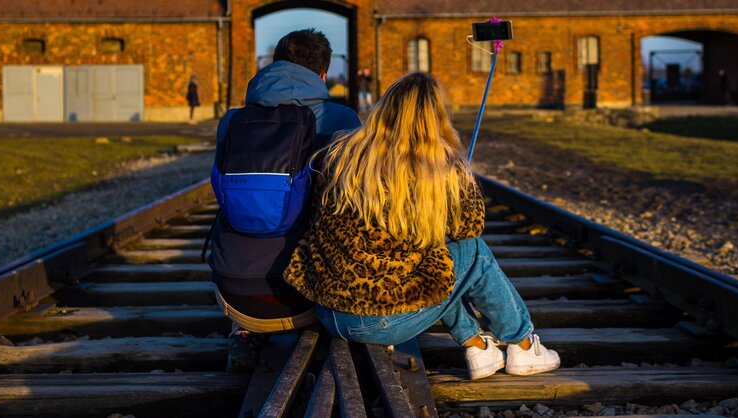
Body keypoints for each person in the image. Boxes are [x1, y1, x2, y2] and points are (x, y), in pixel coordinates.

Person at [284, 72, 560, 380]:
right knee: (474, 253)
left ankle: (478, 348)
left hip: (330, 313)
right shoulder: (440, 166)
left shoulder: (343, 154)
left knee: (431, 260)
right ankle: (522, 345)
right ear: (436, 118)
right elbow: (469, 229)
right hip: (383, 322)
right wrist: (463, 179)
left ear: (384, 109)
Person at [208, 29, 361, 371]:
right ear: (323, 75)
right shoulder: (344, 121)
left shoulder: (232, 122)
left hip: (236, 296)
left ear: (272, 66)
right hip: (311, 296)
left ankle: (243, 333)